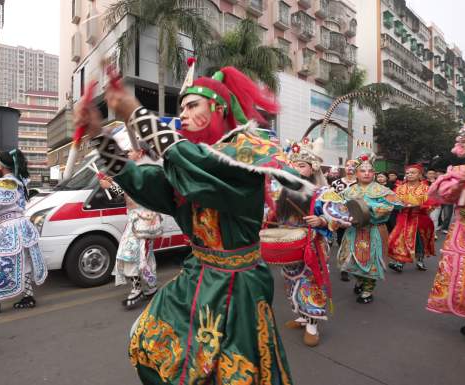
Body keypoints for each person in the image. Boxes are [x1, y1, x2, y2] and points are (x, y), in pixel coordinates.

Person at [78, 64, 308, 384]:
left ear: (218, 108)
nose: (183, 114)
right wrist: (98, 134)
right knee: (147, 342)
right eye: (181, 108)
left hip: (238, 285)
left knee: (233, 374)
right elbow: (142, 179)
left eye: (191, 106)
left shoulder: (244, 156)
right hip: (195, 275)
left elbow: (198, 165)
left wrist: (134, 112)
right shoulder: (185, 166)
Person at [270, 138, 350, 347]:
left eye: (301, 165)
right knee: (290, 281)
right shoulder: (281, 191)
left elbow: (343, 218)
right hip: (287, 244)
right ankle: (302, 316)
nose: (296, 169)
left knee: (311, 282)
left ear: (313, 169)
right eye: (293, 165)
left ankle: (312, 325)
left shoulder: (324, 192)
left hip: (312, 245)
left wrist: (322, 220)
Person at [0, 149, 47, 316]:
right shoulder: (19, 181)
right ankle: (28, 297)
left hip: (8, 228)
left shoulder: (2, 183)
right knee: (25, 262)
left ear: (0, 166)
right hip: (23, 226)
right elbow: (7, 202)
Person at [100, 143, 161, 309]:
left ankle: (138, 289)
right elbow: (126, 193)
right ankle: (151, 287)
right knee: (141, 255)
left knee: (134, 254)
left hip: (145, 219)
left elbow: (135, 194)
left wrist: (112, 186)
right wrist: (114, 183)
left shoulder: (146, 169)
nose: (127, 153)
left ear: (140, 152)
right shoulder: (135, 169)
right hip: (136, 219)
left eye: (130, 151)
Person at [426, 122, 465, 335]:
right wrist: (459, 184)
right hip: (464, 230)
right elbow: (442, 195)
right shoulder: (462, 171)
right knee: (463, 273)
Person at [338, 154, 401, 304]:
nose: (366, 173)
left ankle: (368, 290)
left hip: (374, 230)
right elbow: (339, 207)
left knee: (371, 261)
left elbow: (395, 204)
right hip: (354, 230)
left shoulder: (383, 190)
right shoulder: (349, 191)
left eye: (370, 171)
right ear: (356, 173)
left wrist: (371, 208)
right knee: (350, 259)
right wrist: (341, 217)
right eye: (362, 171)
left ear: (374, 173)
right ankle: (360, 281)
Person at [387, 164, 436, 272]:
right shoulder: (399, 188)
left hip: (420, 217)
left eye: (413, 173)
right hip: (403, 217)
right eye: (407, 173)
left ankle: (420, 259)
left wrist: (421, 206)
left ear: (419, 175)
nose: (409, 175)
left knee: (420, 240)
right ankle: (400, 262)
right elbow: (392, 200)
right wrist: (395, 204)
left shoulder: (426, 188)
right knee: (400, 238)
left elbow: (432, 202)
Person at [331, 159, 358, 281]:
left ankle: (357, 265)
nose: (350, 167)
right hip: (341, 218)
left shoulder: (362, 183)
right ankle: (344, 268)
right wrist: (335, 216)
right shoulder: (336, 183)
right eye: (347, 165)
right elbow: (331, 201)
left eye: (353, 165)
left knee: (356, 243)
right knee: (343, 242)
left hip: (358, 218)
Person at [426, 168, 442, 235]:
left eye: (433, 174)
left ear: (435, 175)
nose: (431, 175)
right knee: (426, 220)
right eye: (429, 173)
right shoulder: (422, 182)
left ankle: (433, 234)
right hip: (425, 205)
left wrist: (434, 183)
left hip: (435, 205)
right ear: (426, 174)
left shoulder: (439, 183)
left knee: (434, 219)